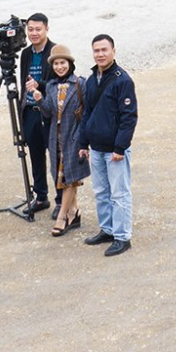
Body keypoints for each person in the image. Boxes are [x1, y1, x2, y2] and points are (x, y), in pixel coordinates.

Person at [79, 33, 137, 256]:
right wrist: (83, 142)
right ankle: (108, 229)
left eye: (104, 50)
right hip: (96, 147)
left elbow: (129, 117)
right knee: (101, 191)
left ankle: (122, 237)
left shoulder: (123, 80)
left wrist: (120, 147)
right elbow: (87, 113)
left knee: (119, 194)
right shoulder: (93, 79)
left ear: (114, 51)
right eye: (96, 50)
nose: (100, 54)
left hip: (115, 150)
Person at [43, 43, 88, 237]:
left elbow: (86, 112)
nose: (59, 67)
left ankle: (63, 216)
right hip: (56, 139)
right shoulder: (51, 86)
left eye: (63, 63)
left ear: (69, 63)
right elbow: (48, 112)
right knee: (61, 176)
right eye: (56, 64)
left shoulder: (80, 83)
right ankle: (74, 211)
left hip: (74, 137)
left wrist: (83, 138)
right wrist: (38, 98)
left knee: (69, 178)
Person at [16, 13, 56, 216]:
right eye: (30, 29)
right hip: (30, 112)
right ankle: (41, 197)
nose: (34, 33)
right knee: (36, 156)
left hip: (49, 113)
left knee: (56, 158)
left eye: (38, 29)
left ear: (47, 29)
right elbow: (23, 85)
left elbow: (60, 83)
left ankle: (61, 201)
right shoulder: (25, 54)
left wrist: (38, 85)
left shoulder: (55, 51)